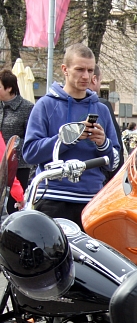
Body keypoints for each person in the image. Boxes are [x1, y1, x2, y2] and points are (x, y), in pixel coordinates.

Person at [23, 43, 119, 227]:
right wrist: (68, 138)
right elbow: (29, 153)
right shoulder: (45, 105)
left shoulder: (102, 109)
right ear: (65, 70)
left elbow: (114, 162)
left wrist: (103, 144)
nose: (86, 76)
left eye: (90, 70)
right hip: (52, 199)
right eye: (80, 69)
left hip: (92, 201)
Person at [0, 69, 34, 213]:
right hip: (0, 164)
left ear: (9, 88)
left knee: (13, 206)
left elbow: (30, 137)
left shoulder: (27, 108)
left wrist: (15, 150)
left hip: (18, 165)